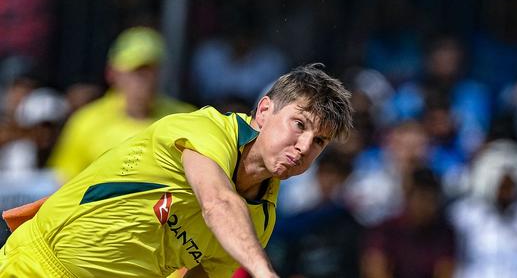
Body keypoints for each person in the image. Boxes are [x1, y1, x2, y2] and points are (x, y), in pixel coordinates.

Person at [0, 63, 353, 278]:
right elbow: (216, 203)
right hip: (39, 267)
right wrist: (263, 272)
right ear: (263, 112)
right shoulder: (207, 130)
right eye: (299, 125)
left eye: (320, 142)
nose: (305, 147)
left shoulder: (260, 219)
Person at [48, 27, 195, 183]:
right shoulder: (87, 122)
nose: (144, 79)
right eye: (136, 70)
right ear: (112, 73)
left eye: (152, 69)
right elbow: (63, 182)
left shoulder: (186, 120)